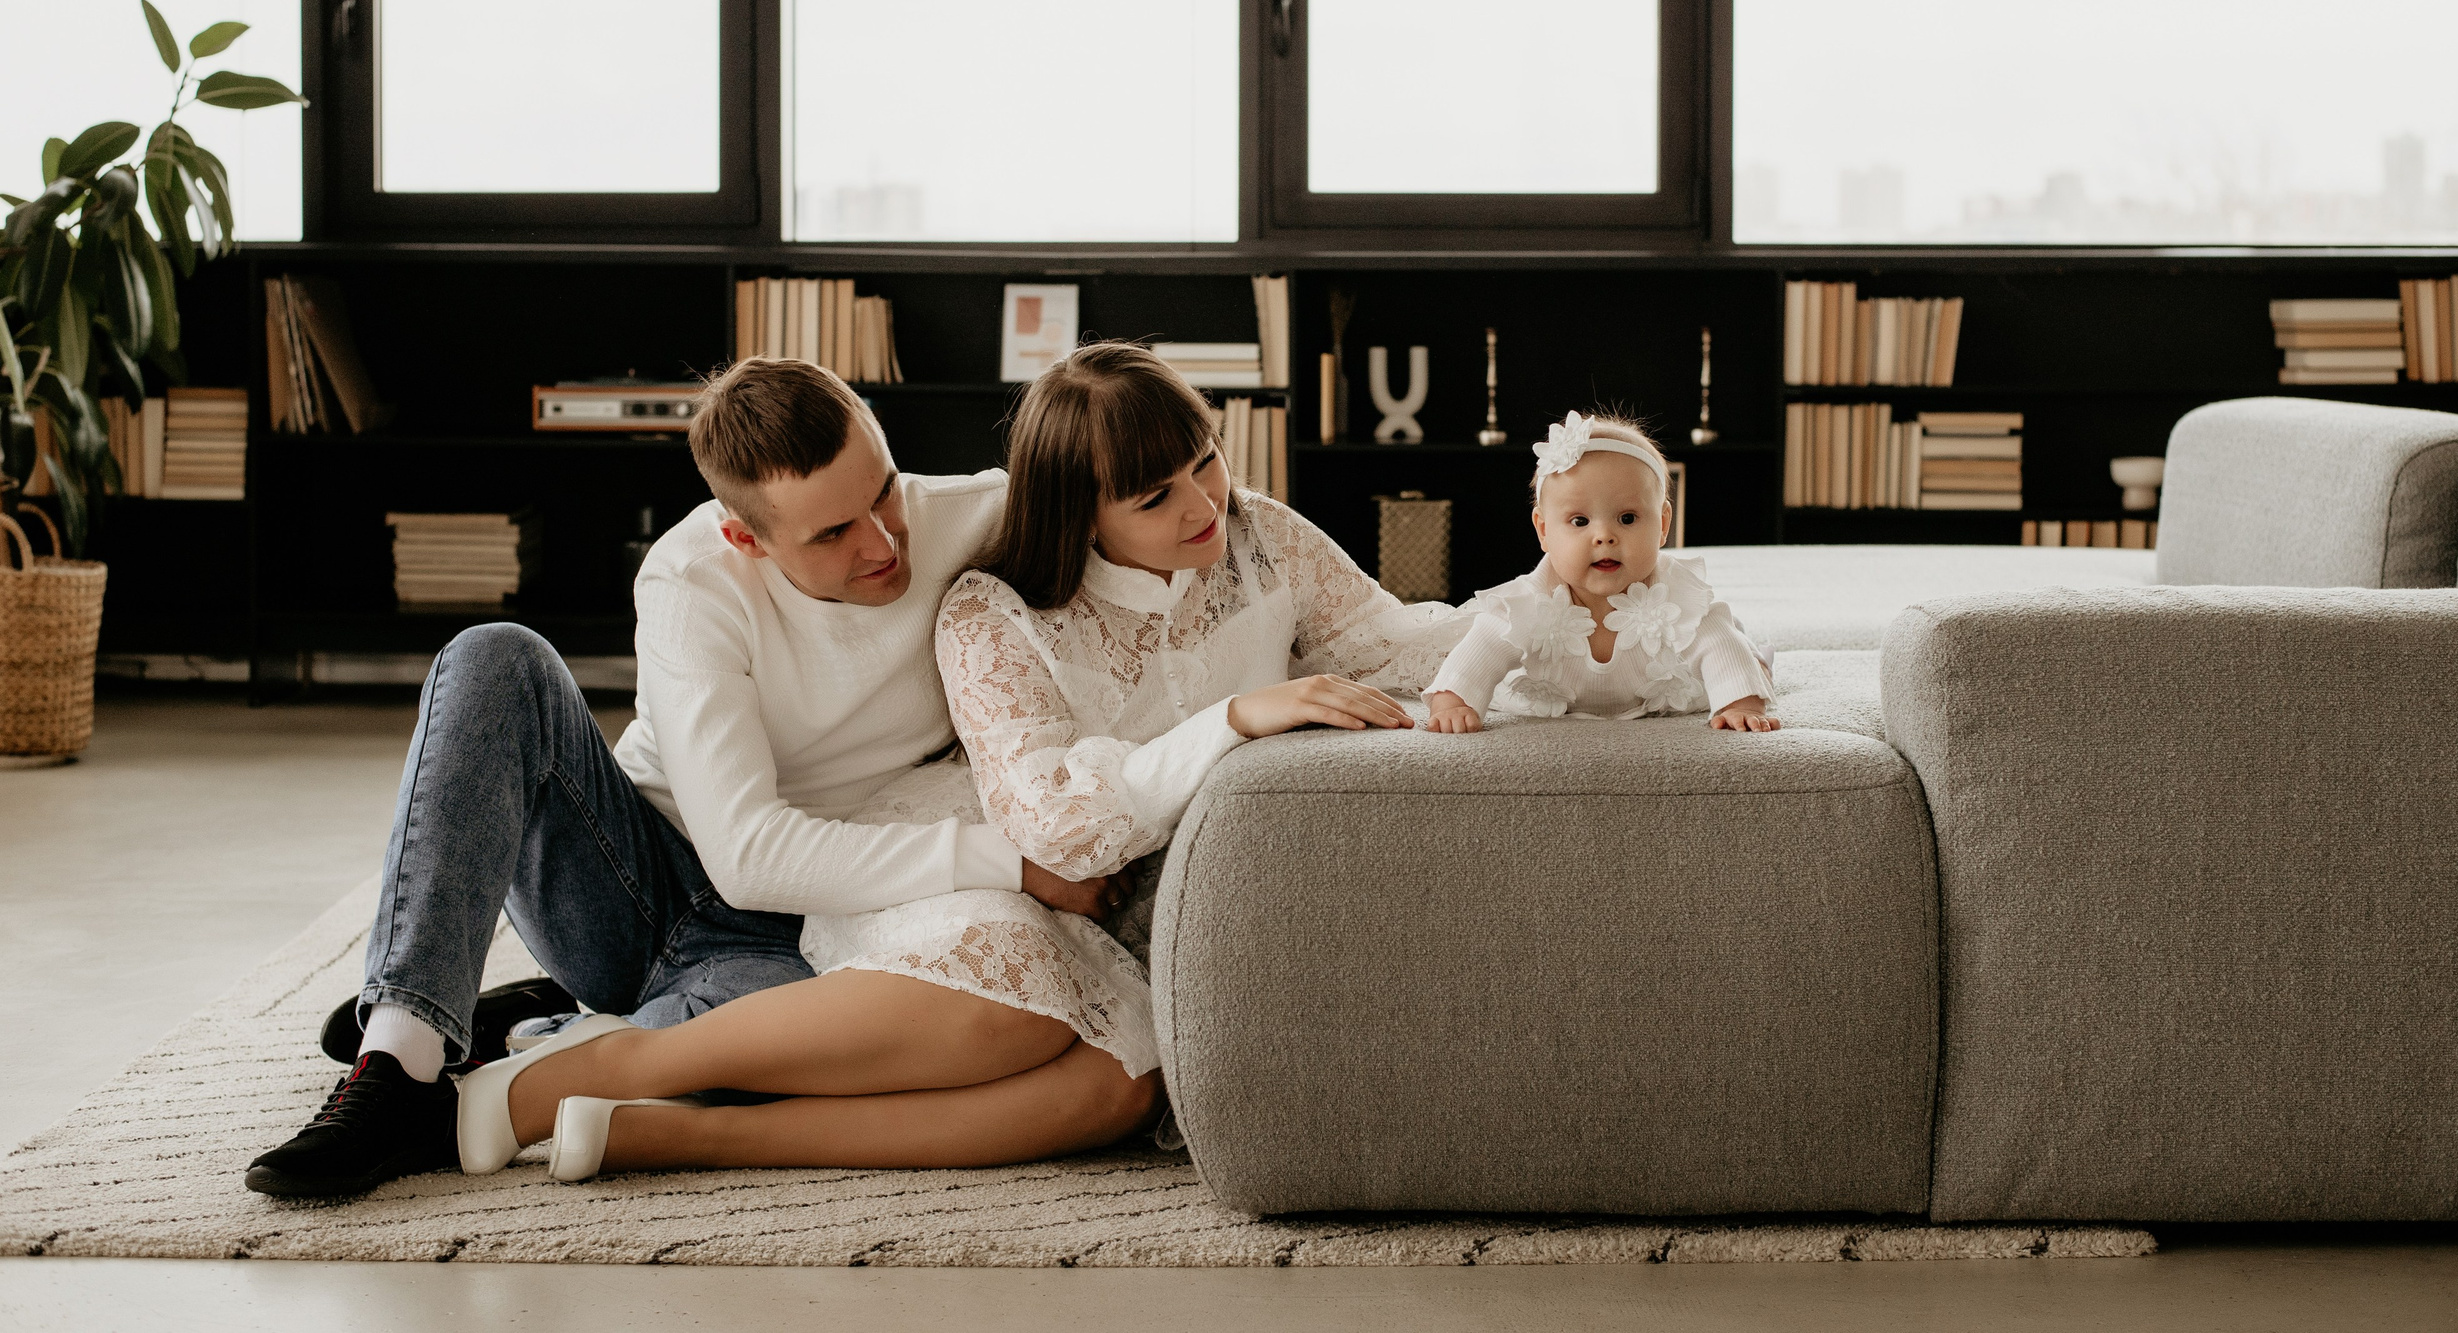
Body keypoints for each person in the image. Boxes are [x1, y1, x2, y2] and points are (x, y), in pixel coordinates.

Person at [460, 341, 1469, 1181]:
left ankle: (674, 1132)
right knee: (1018, 1006)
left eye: (1207, 460)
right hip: (954, 849)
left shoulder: (1258, 532)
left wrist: (1550, 611)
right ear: (1085, 510)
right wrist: (1234, 718)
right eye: (1156, 494)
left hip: (1118, 895)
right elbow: (1049, 828)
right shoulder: (988, 611)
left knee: (1122, 1086)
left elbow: (1404, 642)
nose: (1204, 503)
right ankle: (616, 1060)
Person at [244, 359, 1118, 1200]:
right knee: (495, 657)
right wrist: (1010, 862)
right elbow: (748, 859)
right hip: (638, 883)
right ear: (746, 537)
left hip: (819, 931)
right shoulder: (690, 575)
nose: (883, 541)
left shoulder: (979, 517)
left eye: (883, 489)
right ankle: (399, 1057)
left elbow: (1166, 525)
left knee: (864, 1056)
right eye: (831, 533)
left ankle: (545, 1032)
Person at [1422, 411, 1779, 733]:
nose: (1604, 536)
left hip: (1667, 691)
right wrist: (1454, 702)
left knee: (1738, 655)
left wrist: (1740, 704)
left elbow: (1718, 643)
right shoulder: (1527, 603)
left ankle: (1757, 662)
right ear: (1544, 530)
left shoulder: (1678, 598)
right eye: (1580, 521)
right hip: (1556, 696)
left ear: (1663, 524)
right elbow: (1480, 650)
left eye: (1627, 518)